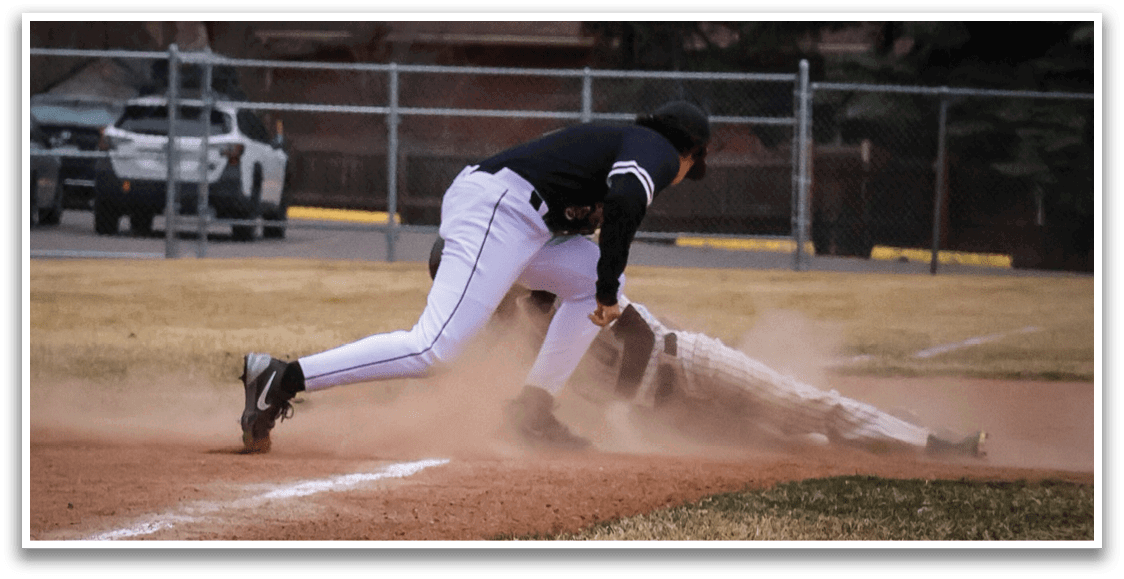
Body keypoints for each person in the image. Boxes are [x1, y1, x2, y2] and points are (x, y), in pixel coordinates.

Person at [238, 101, 712, 453]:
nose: (682, 174)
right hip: (501, 212)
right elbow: (627, 200)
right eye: (691, 167)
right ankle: (282, 377)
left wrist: (599, 287)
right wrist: (607, 292)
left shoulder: (623, 143)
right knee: (434, 349)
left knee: (589, 279)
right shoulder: (657, 148)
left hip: (523, 223)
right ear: (688, 151)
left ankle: (532, 412)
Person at [427, 235, 989, 459]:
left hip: (689, 363)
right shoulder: (506, 323)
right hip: (664, 413)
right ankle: (896, 426)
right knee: (783, 443)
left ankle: (937, 445)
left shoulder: (556, 284)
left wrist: (618, 406)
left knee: (807, 407)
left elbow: (633, 333)